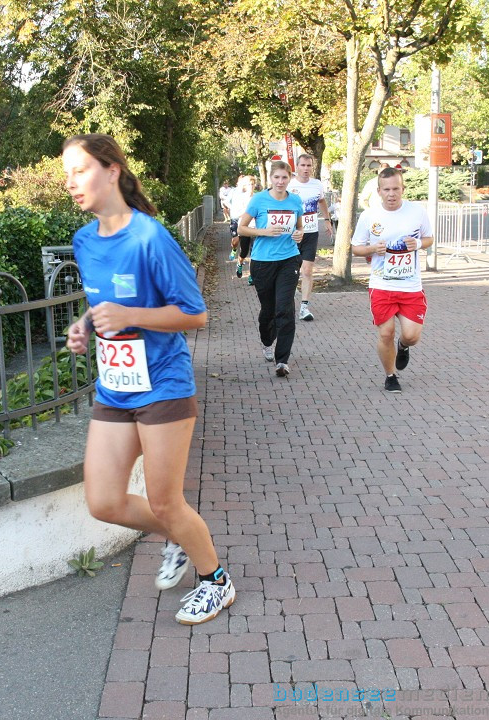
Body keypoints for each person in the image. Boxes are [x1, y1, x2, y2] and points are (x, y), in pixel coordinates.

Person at [62, 134, 235, 625]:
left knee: (164, 500)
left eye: (80, 171)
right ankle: (179, 540)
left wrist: (130, 313)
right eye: (67, 175)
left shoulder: (150, 236)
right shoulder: (84, 240)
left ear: (112, 170)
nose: (72, 183)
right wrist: (85, 325)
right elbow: (102, 304)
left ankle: (214, 581)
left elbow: (194, 313)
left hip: (162, 384)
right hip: (115, 388)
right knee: (104, 501)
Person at [350, 167, 434, 394]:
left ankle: (404, 346)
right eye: (386, 189)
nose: (391, 193)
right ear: (379, 191)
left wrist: (417, 244)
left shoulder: (417, 212)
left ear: (403, 189)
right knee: (386, 333)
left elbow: (428, 238)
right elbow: (356, 247)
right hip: (381, 285)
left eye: (396, 188)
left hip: (410, 286)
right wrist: (371, 248)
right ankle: (390, 376)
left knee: (411, 335)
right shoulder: (369, 216)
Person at [237, 160, 303, 378]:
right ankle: (267, 341)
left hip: (289, 259)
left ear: (289, 178)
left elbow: (300, 229)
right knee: (269, 310)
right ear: (271, 179)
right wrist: (264, 231)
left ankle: (282, 360)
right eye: (277, 178)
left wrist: (299, 235)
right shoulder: (259, 200)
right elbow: (242, 228)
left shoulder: (295, 201)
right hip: (263, 262)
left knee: (285, 308)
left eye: (285, 178)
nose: (281, 182)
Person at [287, 153, 332, 322]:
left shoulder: (317, 184)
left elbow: (321, 202)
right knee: (291, 271)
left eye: (309, 166)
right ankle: (287, 303)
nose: (306, 169)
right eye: (303, 165)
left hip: (311, 232)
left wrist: (327, 220)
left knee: (307, 270)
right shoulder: (289, 185)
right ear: (296, 167)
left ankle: (304, 307)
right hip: (292, 234)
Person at [229, 175, 256, 280]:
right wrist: (247, 213)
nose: (251, 186)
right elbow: (236, 213)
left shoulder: (257, 197)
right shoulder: (241, 197)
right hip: (244, 226)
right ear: (245, 186)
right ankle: (239, 264)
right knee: (244, 251)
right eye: (249, 184)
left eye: (253, 184)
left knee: (254, 251)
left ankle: (251, 275)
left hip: (255, 227)